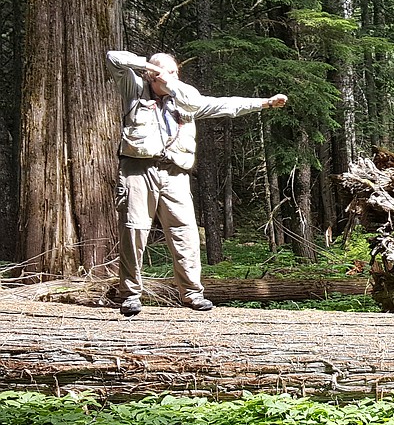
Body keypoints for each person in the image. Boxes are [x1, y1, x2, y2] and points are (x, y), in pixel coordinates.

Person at [106, 50, 287, 316]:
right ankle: (130, 295)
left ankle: (192, 294)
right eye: (162, 73)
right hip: (138, 170)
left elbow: (227, 105)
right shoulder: (134, 89)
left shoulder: (185, 100)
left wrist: (265, 103)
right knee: (134, 231)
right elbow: (113, 57)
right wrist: (151, 67)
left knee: (185, 233)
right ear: (149, 75)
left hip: (175, 174)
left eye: (174, 72)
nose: (169, 78)